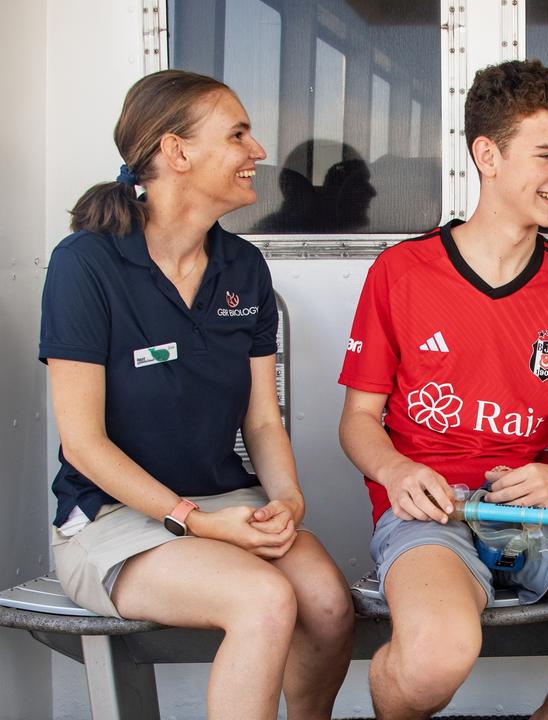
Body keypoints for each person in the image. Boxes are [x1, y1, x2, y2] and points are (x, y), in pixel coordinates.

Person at [337, 59, 548, 720]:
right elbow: (357, 420)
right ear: (486, 155)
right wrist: (397, 470)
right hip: (429, 514)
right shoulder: (402, 272)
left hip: (531, 512)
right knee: (436, 657)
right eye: (547, 154)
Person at [40, 70, 354, 720]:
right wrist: (197, 522)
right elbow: (84, 444)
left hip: (225, 503)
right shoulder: (86, 264)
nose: (258, 151)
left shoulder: (243, 268)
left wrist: (288, 498)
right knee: (263, 600)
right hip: (111, 518)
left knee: (327, 604)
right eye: (237, 134)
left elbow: (262, 421)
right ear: (174, 152)